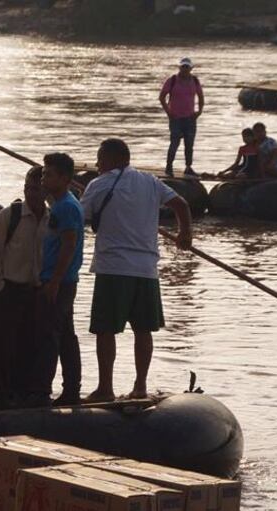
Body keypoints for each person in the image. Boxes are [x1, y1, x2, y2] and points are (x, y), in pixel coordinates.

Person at [80, 139, 192, 403]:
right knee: (144, 330)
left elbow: (79, 217)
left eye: (100, 158)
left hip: (113, 268)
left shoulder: (99, 184)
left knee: (106, 330)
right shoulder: (150, 181)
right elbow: (182, 205)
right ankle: (140, 386)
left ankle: (105, 388)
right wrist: (185, 233)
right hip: (146, 269)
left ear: (114, 159)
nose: (97, 165)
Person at [0, 166, 49, 409]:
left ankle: (23, 392)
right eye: (28, 188)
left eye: (36, 189)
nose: (31, 194)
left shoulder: (53, 219)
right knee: (1, 345)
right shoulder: (10, 215)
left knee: (29, 344)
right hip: (9, 287)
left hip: (35, 290)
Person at [27, 153, 84, 407]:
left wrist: (54, 282)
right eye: (43, 174)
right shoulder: (59, 203)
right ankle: (70, 388)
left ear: (64, 178)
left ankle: (42, 391)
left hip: (59, 281)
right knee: (64, 335)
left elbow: (69, 245)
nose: (43, 178)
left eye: (48, 174)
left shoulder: (67, 207)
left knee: (50, 335)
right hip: (57, 279)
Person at [159, 57, 204, 178]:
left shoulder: (194, 81)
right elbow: (162, 97)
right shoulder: (172, 80)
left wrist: (199, 111)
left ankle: (188, 167)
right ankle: (169, 167)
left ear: (191, 68)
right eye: (183, 67)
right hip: (175, 118)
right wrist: (168, 112)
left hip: (190, 118)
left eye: (187, 67)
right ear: (179, 67)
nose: (185, 69)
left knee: (189, 144)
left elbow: (200, 97)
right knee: (174, 143)